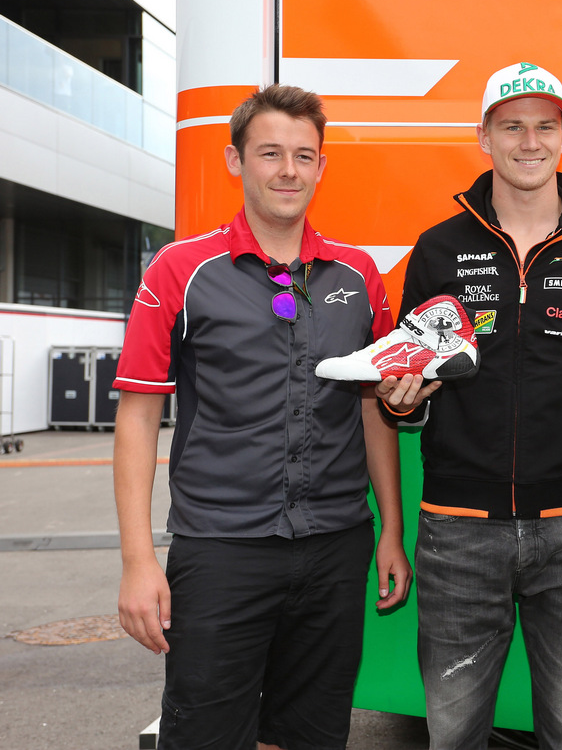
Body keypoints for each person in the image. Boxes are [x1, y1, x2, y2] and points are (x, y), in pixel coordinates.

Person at [113, 84, 412, 750]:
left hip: (337, 545)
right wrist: (138, 559)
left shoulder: (360, 276)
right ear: (235, 159)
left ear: (322, 167)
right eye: (270, 152)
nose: (288, 170)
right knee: (207, 734)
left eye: (304, 155)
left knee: (311, 734)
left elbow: (374, 408)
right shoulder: (180, 270)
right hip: (222, 549)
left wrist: (391, 527)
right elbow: (136, 415)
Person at [376, 62, 562, 750]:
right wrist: (403, 402)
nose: (529, 141)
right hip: (458, 528)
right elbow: (410, 388)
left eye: (544, 126)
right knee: (454, 737)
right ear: (484, 137)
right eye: (512, 126)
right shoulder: (439, 248)